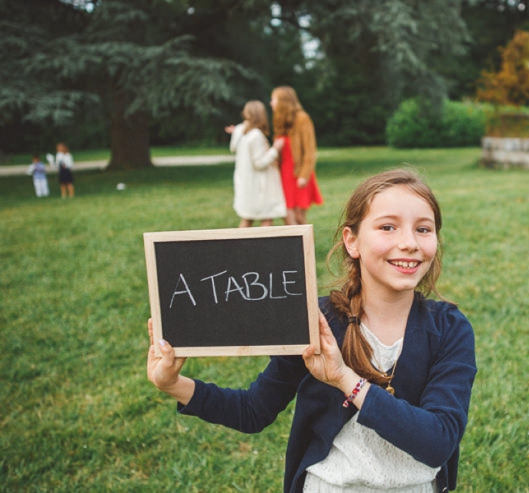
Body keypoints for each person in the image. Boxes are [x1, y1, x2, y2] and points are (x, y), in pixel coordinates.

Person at [146, 168, 477, 493]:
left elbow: (438, 441)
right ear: (352, 241)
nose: (409, 243)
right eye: (388, 227)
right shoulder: (316, 322)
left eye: (423, 229)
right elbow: (252, 411)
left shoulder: (449, 329)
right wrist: (172, 383)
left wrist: (345, 379)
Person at [225, 100, 287, 227]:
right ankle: (261, 247)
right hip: (259, 187)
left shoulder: (240, 131)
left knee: (247, 218)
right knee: (266, 218)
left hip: (245, 184)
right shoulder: (256, 136)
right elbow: (259, 163)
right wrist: (275, 149)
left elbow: (233, 148)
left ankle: (239, 246)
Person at [270, 86, 323, 225]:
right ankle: (294, 246)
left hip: (299, 174)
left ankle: (305, 246)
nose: (271, 103)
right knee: (287, 215)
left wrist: (304, 175)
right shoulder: (280, 121)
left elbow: (310, 151)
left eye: (274, 99)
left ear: (284, 101)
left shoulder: (302, 119)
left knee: (299, 216)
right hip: (284, 174)